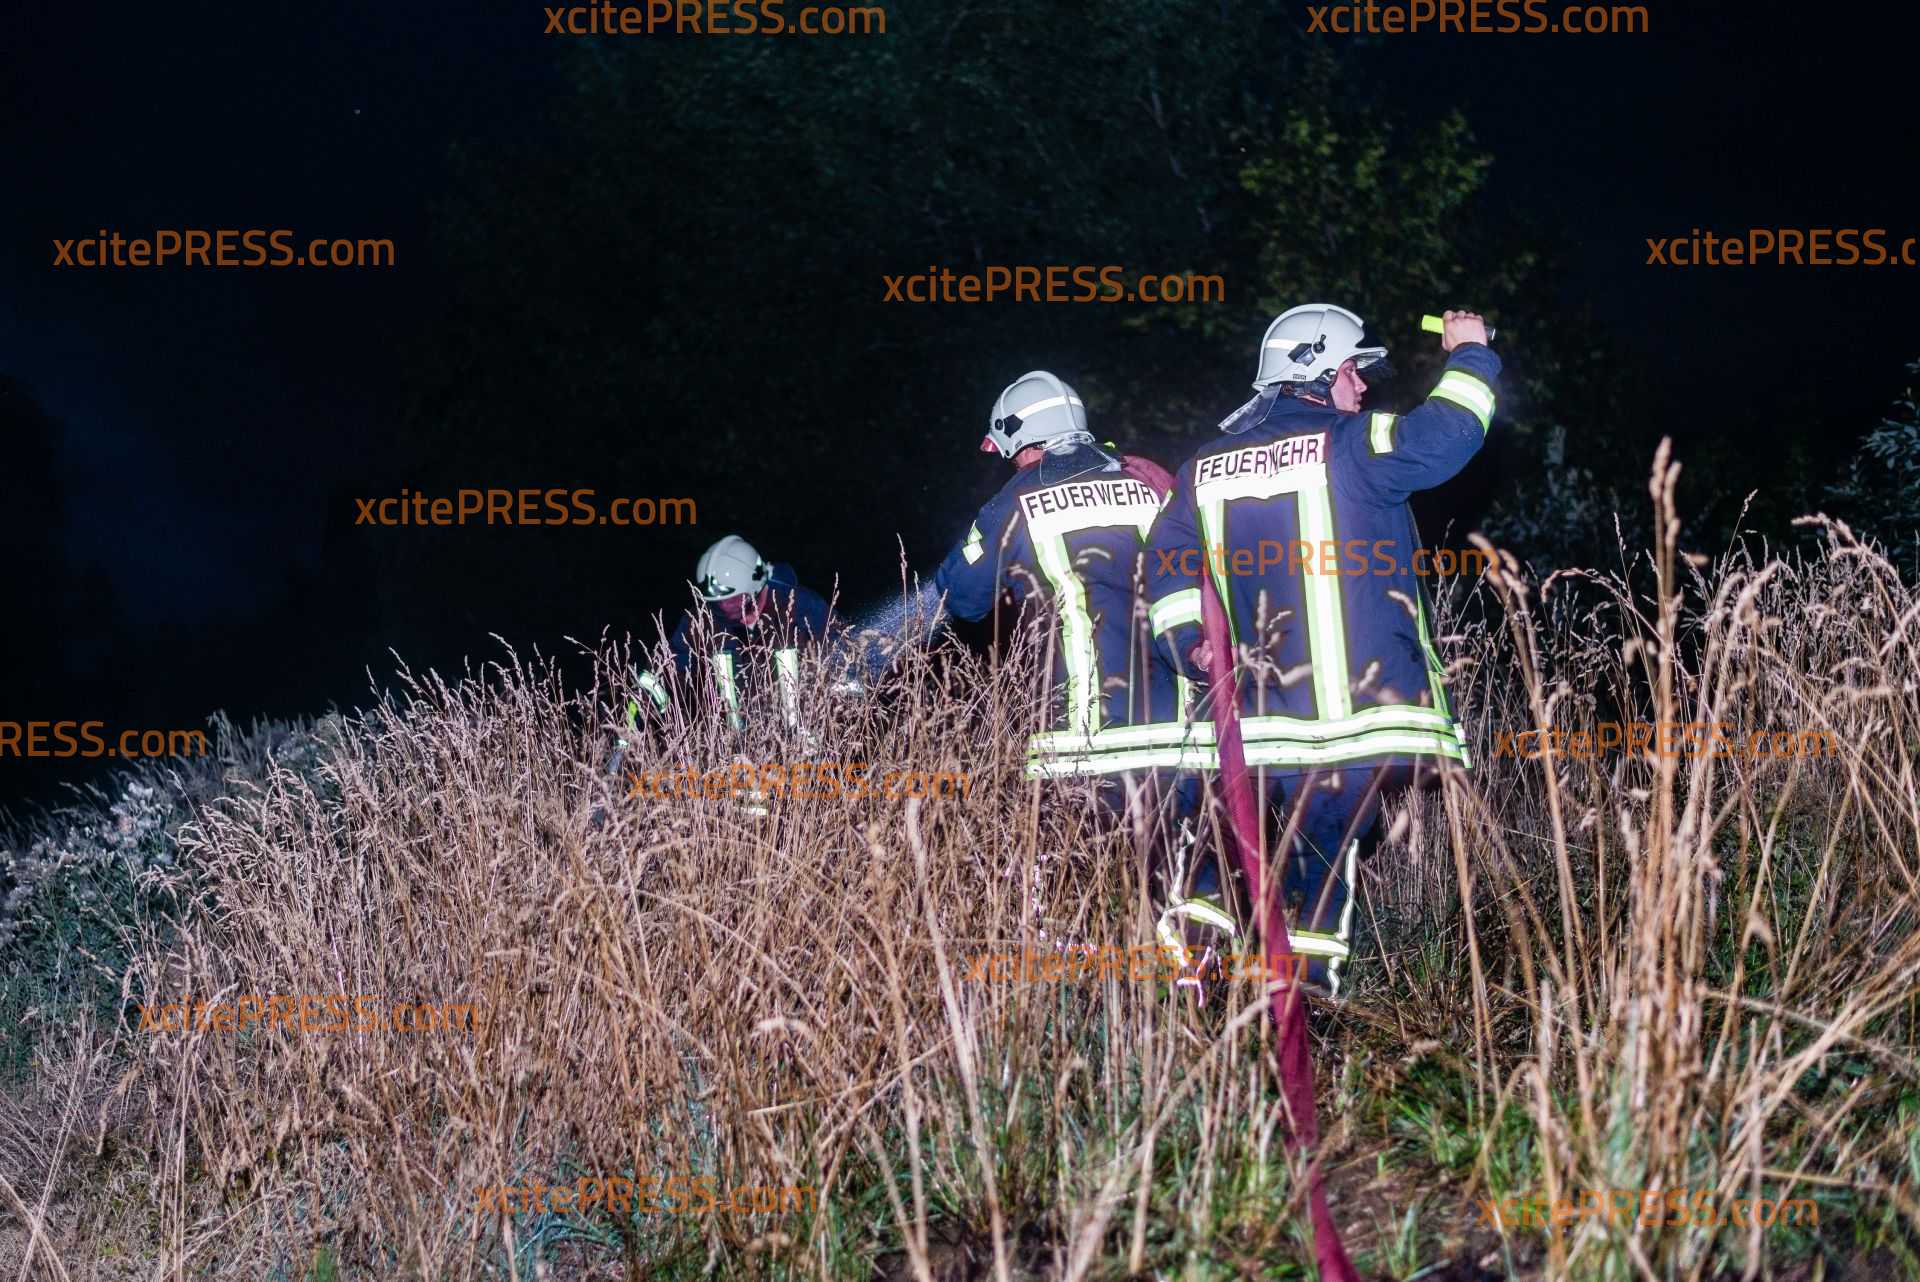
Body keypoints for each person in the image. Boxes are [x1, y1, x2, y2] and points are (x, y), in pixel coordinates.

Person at [1144, 305, 1500, 1001]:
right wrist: (1472, 354)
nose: (1361, 386)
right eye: (1350, 372)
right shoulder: (1353, 444)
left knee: (1230, 846)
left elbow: (1167, 564)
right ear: (1315, 375)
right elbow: (1449, 434)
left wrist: (1190, 644)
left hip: (1255, 726)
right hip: (1351, 723)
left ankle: (1193, 980)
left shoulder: (1202, 470)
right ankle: (1303, 1006)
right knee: (1323, 860)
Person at [641, 534, 836, 732]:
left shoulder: (801, 608)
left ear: (756, 586)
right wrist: (631, 727)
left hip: (805, 742)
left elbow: (845, 656)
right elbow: (662, 673)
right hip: (734, 746)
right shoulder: (702, 622)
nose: (725, 607)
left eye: (734, 598)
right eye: (718, 601)